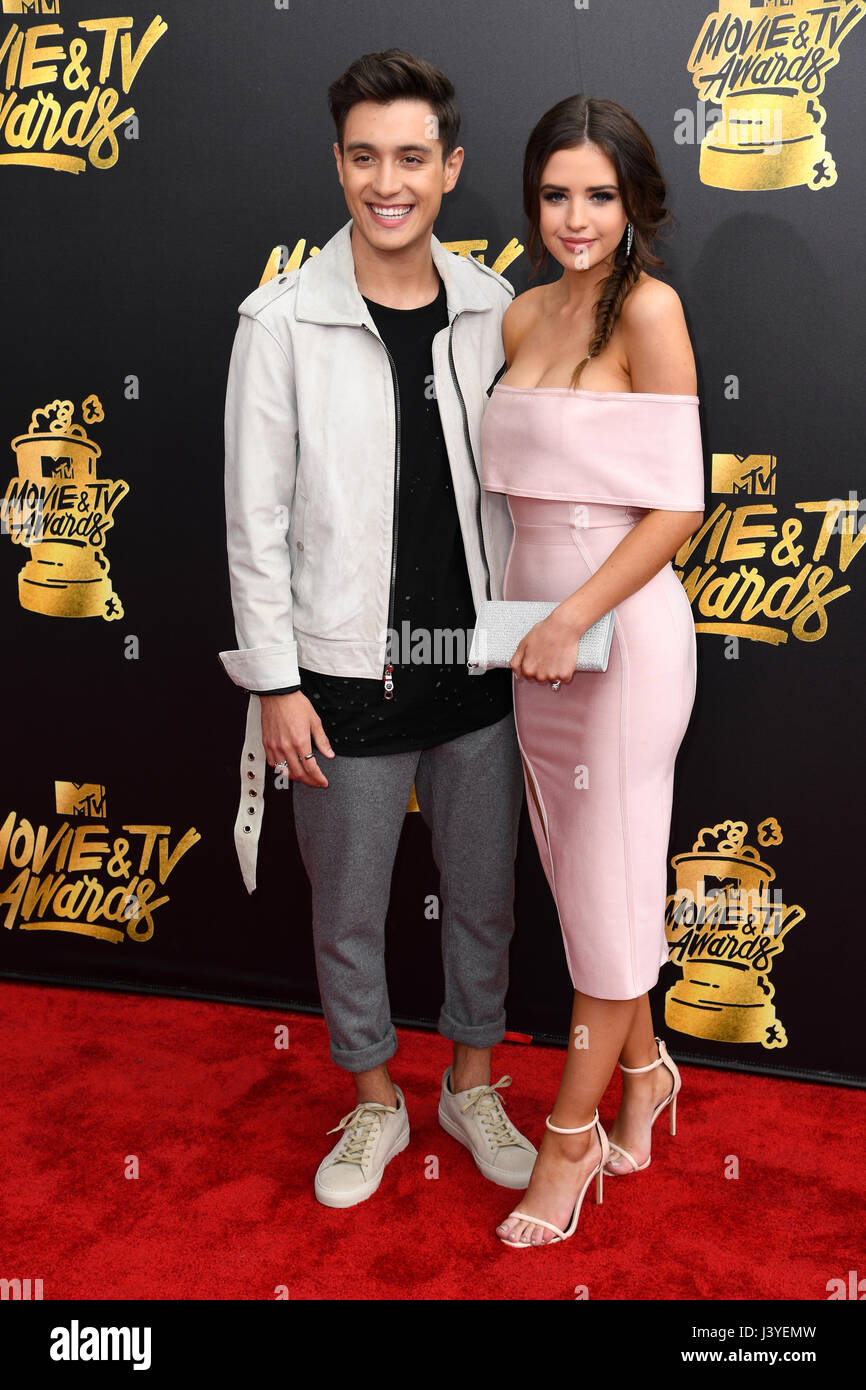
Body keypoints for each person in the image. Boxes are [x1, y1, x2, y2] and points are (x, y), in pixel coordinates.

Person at [219, 49, 535, 1209]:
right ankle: (370, 1101)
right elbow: (251, 519)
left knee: (486, 896)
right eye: (364, 157)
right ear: (338, 164)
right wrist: (274, 680)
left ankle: (469, 1082)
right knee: (347, 908)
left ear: (448, 168)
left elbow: (529, 490)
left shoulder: (496, 309)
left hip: (478, 668)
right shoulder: (281, 321)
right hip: (340, 675)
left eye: (411, 157)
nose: (386, 181)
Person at [479, 95, 705, 1247]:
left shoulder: (647, 310)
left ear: (633, 201)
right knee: (589, 886)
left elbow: (678, 505)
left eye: (598, 196)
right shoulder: (521, 315)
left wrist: (570, 617)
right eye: (556, 194)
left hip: (615, 636)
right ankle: (647, 1070)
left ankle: (568, 1143)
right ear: (532, 199)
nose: (575, 217)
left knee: (608, 895)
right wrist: (534, 624)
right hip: (533, 638)